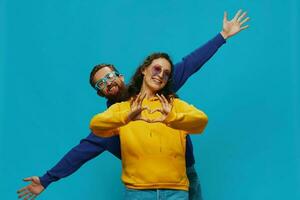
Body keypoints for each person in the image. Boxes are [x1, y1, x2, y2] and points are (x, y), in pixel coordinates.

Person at [17, 10, 250, 200]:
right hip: (142, 188)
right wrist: (47, 179)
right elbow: (80, 153)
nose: (108, 83)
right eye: (101, 84)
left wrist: (222, 36)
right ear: (99, 93)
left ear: (120, 75)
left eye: (110, 76)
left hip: (182, 175)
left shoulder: (158, 85)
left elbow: (190, 64)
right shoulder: (112, 120)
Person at [90, 52, 208, 200]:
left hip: (176, 192)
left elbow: (201, 121)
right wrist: (127, 118)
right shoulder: (125, 108)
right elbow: (95, 125)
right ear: (143, 70)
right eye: (156, 68)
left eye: (166, 73)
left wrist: (172, 118)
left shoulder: (173, 105)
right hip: (137, 192)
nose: (160, 75)